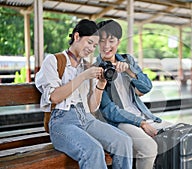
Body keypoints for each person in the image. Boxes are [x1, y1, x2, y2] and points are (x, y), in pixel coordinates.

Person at [35, 19, 133, 169]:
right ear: (76, 37)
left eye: (94, 45)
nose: (91, 48)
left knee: (124, 141)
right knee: (93, 150)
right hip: (62, 121)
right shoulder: (54, 60)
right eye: (89, 42)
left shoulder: (86, 66)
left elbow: (92, 107)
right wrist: (83, 76)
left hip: (85, 117)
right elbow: (54, 97)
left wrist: (101, 84)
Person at [95, 19, 172, 169]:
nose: (106, 46)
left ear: (118, 42)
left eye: (111, 40)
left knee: (180, 132)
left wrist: (130, 71)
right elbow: (109, 110)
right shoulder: (96, 69)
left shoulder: (127, 59)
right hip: (119, 122)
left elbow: (147, 87)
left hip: (142, 114)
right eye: (102, 41)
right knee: (148, 148)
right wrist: (140, 123)